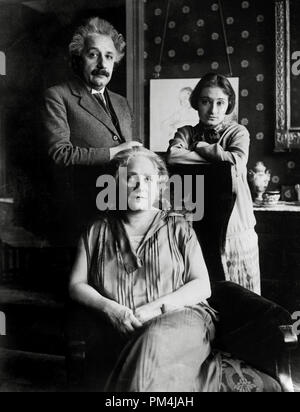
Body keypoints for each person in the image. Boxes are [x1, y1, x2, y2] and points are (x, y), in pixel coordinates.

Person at [68, 147, 218, 392]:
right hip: (123, 325)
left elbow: (202, 285)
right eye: (131, 177)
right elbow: (76, 285)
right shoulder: (97, 230)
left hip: (180, 319)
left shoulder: (178, 226)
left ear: (159, 187)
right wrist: (111, 309)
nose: (140, 185)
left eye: (148, 179)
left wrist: (154, 309)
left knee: (153, 339)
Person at [42, 17, 141, 244]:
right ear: (79, 58)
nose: (102, 64)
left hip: (123, 206)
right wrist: (114, 152)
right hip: (82, 208)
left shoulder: (122, 102)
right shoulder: (58, 96)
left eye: (108, 56)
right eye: (93, 54)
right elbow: (60, 153)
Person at [167, 73, 261, 295]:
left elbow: (236, 163)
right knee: (206, 291)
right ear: (196, 103)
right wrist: (217, 160)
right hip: (196, 220)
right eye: (206, 101)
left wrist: (199, 147)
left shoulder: (237, 132)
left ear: (228, 105)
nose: (213, 109)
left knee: (242, 294)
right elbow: (173, 157)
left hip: (235, 226)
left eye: (220, 103)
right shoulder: (186, 132)